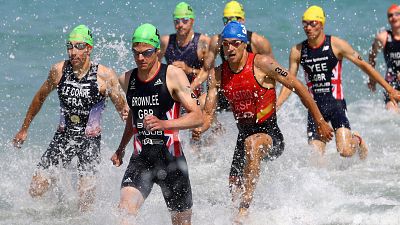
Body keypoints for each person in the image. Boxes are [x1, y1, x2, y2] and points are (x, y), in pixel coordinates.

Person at [194, 21, 333, 222]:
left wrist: (319, 121)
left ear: (244, 44)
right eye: (225, 44)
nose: (230, 48)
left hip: (271, 133)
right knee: (233, 185)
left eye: (235, 43)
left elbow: (298, 86)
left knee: (253, 144)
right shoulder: (217, 75)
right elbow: (208, 114)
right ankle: (241, 215)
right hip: (243, 134)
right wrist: (201, 128)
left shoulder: (263, 64)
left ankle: (245, 210)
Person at [12, 24, 128, 211]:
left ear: (89, 48)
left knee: (85, 203)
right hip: (63, 137)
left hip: (90, 142)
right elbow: (39, 97)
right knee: (36, 189)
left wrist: (130, 131)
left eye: (79, 46)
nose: (73, 52)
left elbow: (123, 109)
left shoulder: (105, 76)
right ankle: (55, 203)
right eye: (69, 46)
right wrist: (24, 129)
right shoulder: (58, 71)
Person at [277, 5, 400, 159]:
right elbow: (290, 82)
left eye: (312, 23)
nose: (308, 28)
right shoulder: (298, 50)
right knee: (315, 159)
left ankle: (358, 140)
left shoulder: (336, 44)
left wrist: (389, 88)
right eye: (305, 24)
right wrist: (277, 105)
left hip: (336, 105)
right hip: (315, 111)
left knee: (345, 151)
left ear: (322, 24)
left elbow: (364, 65)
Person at [111, 23, 203, 225]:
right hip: (141, 160)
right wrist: (120, 148)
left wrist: (164, 124)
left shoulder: (173, 75)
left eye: (146, 53)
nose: (140, 58)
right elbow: (132, 118)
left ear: (157, 51)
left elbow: (198, 116)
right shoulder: (127, 79)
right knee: (124, 213)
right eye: (136, 53)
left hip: (172, 161)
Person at [159, 2, 211, 146]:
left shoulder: (203, 42)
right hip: (174, 95)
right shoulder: (165, 41)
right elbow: (154, 68)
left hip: (196, 94)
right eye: (177, 21)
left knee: (200, 120)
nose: (180, 25)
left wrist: (188, 70)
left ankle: (210, 142)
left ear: (192, 21)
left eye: (184, 21)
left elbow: (209, 72)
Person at [368, 4, 400, 113]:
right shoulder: (383, 37)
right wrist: (372, 78)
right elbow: (372, 55)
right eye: (390, 15)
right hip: (392, 83)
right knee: (392, 113)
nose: (394, 17)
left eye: (397, 14)